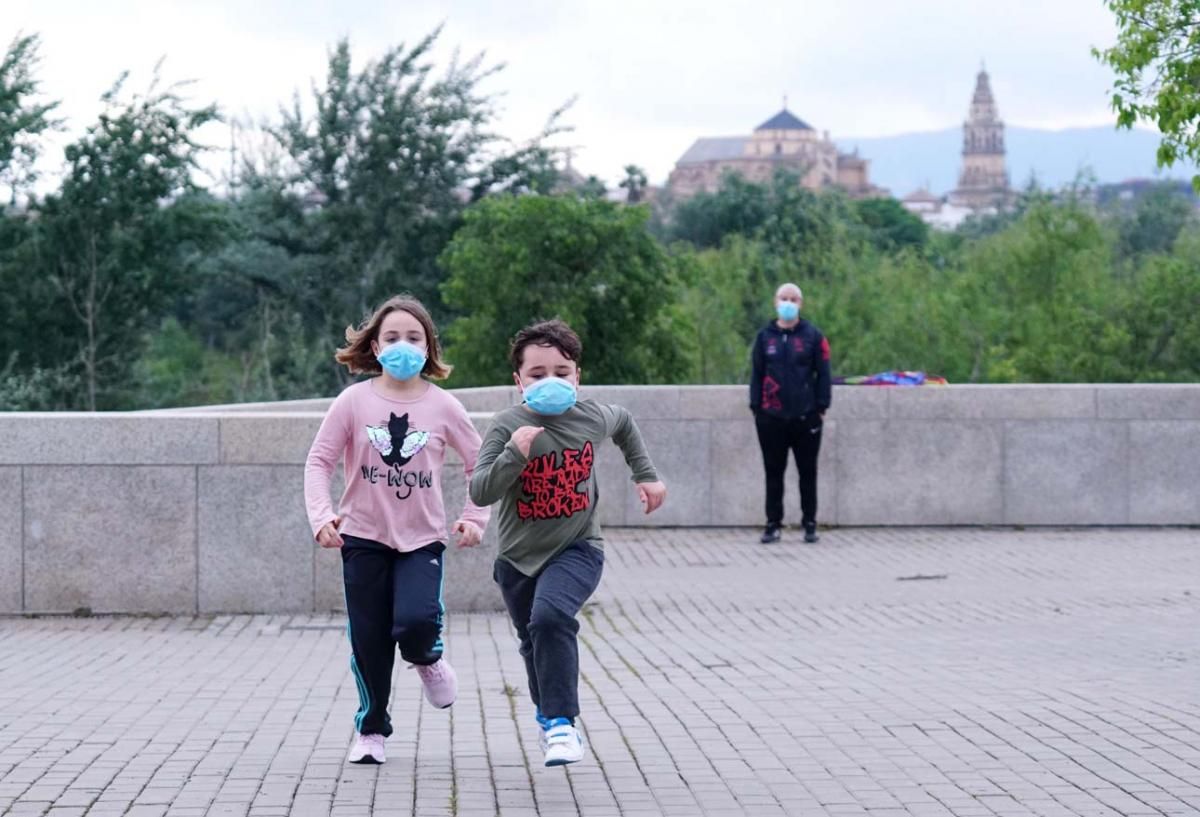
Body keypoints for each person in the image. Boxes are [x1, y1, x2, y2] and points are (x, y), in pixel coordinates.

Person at [469, 319, 667, 767]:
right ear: (518, 381)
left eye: (562, 372)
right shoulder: (507, 425)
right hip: (518, 560)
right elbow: (481, 490)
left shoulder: (591, 417)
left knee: (552, 617)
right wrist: (513, 454)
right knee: (532, 639)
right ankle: (547, 716)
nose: (551, 381)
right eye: (538, 374)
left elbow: (625, 424)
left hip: (578, 548)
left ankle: (562, 725)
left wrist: (646, 475)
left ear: (578, 376)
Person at [304, 295, 490, 765]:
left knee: (416, 620)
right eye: (392, 337)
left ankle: (427, 657)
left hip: (422, 539)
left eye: (413, 337)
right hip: (362, 538)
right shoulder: (354, 401)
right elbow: (320, 461)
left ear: (429, 346)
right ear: (375, 345)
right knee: (369, 641)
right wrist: (322, 515)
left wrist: (474, 517)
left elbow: (480, 465)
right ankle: (371, 730)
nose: (402, 345)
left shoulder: (444, 406)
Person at [749, 283, 832, 545]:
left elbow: (823, 374)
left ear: (800, 304)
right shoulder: (765, 338)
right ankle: (773, 524)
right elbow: (757, 375)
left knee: (808, 472)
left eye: (793, 299)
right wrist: (756, 408)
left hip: (806, 417)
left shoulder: (813, 336)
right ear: (775, 302)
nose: (788, 303)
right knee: (773, 472)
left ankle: (809, 523)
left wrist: (821, 407)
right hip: (771, 418)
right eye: (784, 298)